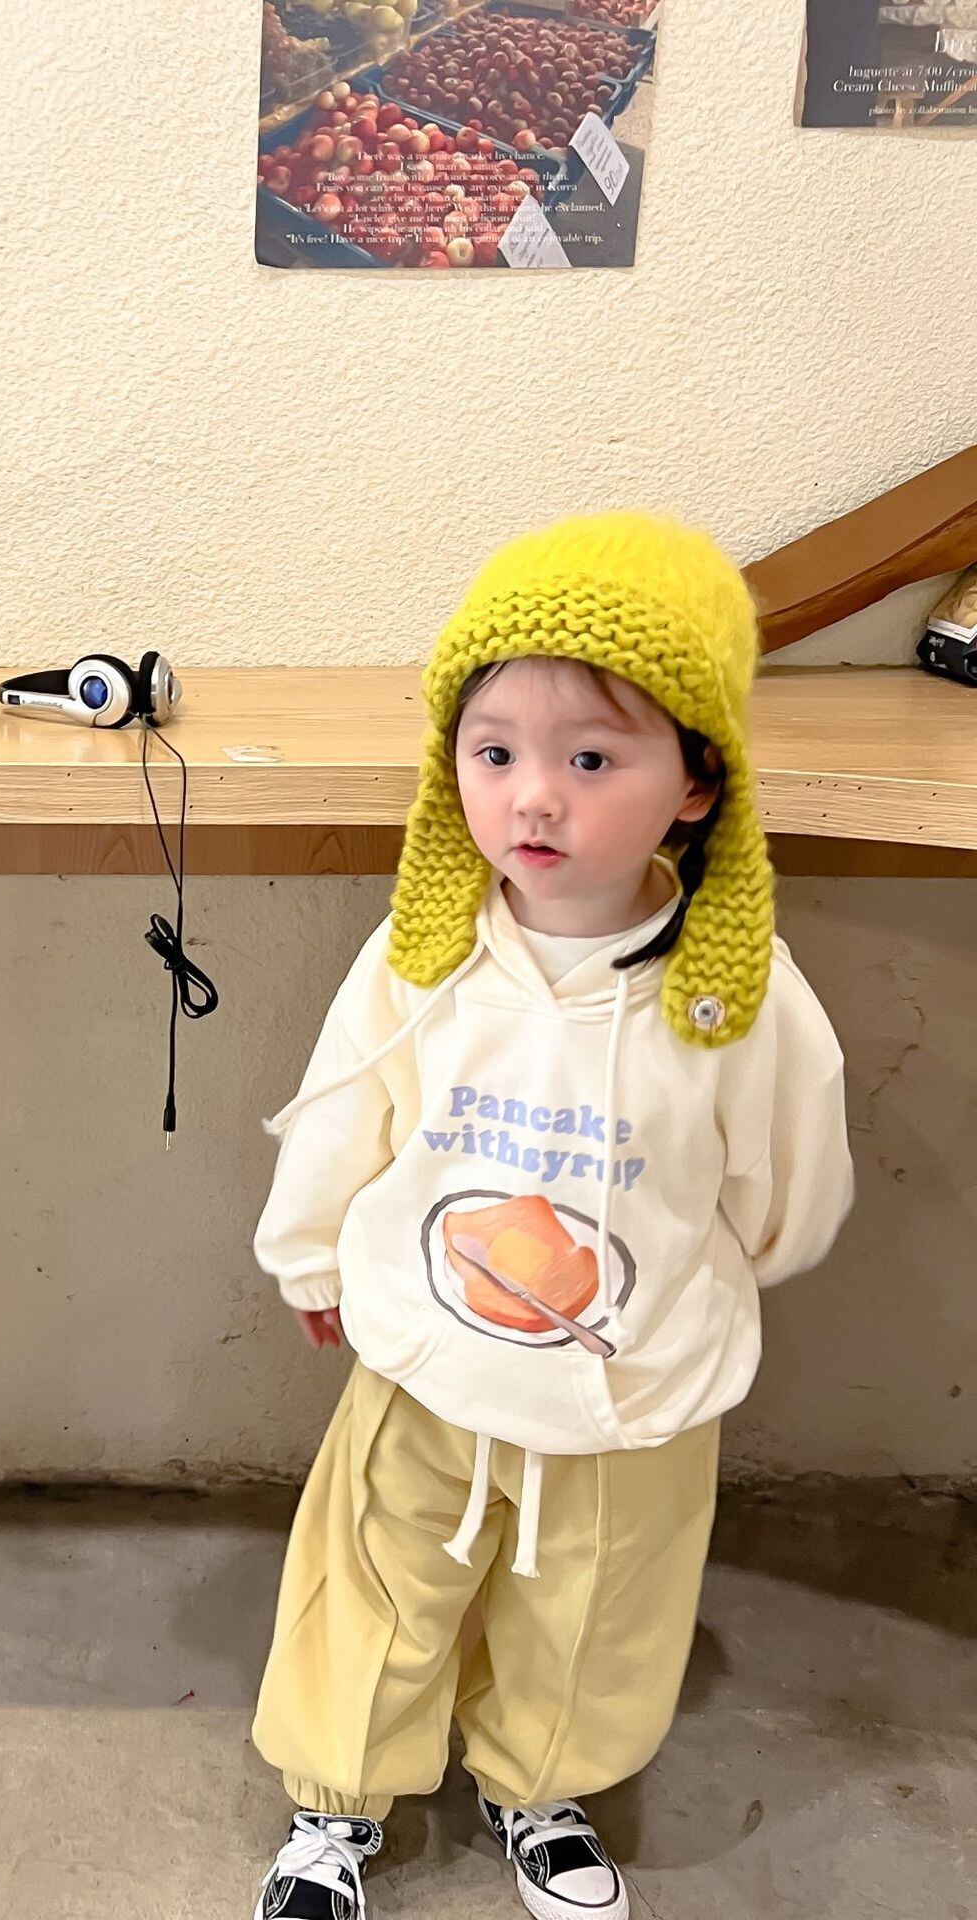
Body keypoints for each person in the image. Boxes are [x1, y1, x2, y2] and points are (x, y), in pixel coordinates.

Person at [246, 513, 854, 1920]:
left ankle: (541, 1785)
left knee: (598, 1611)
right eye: (494, 751)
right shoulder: (426, 960)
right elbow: (345, 1110)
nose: (533, 799)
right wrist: (310, 1256)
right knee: (379, 1579)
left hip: (629, 1387)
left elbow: (784, 1181)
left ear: (696, 782)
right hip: (428, 1362)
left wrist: (700, 1294)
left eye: (590, 759)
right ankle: (336, 1802)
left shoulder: (736, 997)